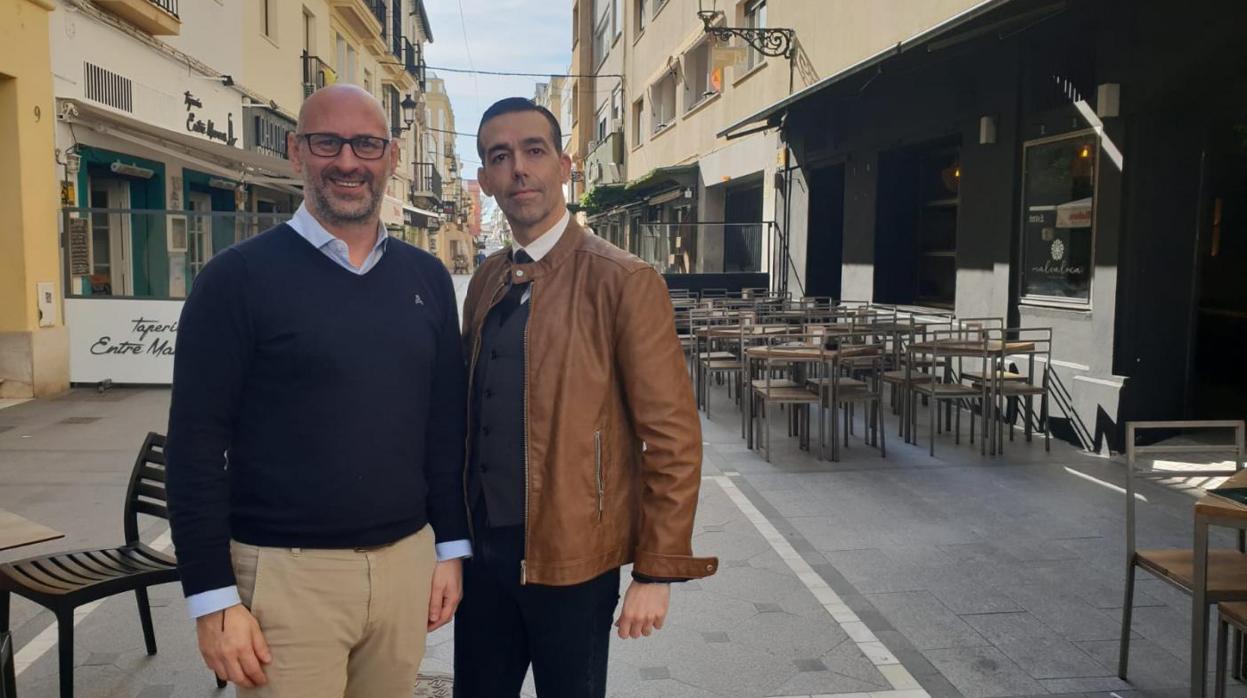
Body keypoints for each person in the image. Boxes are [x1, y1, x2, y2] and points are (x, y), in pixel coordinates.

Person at [165, 84, 470, 697]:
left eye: (367, 144)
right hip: (285, 580)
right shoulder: (236, 280)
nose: (349, 161)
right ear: (296, 151)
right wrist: (212, 598)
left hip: (406, 566)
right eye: (327, 142)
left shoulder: (428, 279)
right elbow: (195, 448)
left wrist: (451, 549)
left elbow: (443, 427)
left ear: (390, 157)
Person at [454, 97, 718, 697]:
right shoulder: (486, 280)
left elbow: (673, 435)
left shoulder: (623, 281)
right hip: (482, 553)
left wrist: (656, 570)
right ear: (487, 179)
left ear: (565, 165)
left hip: (573, 560)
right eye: (501, 156)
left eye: (534, 150)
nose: (518, 168)